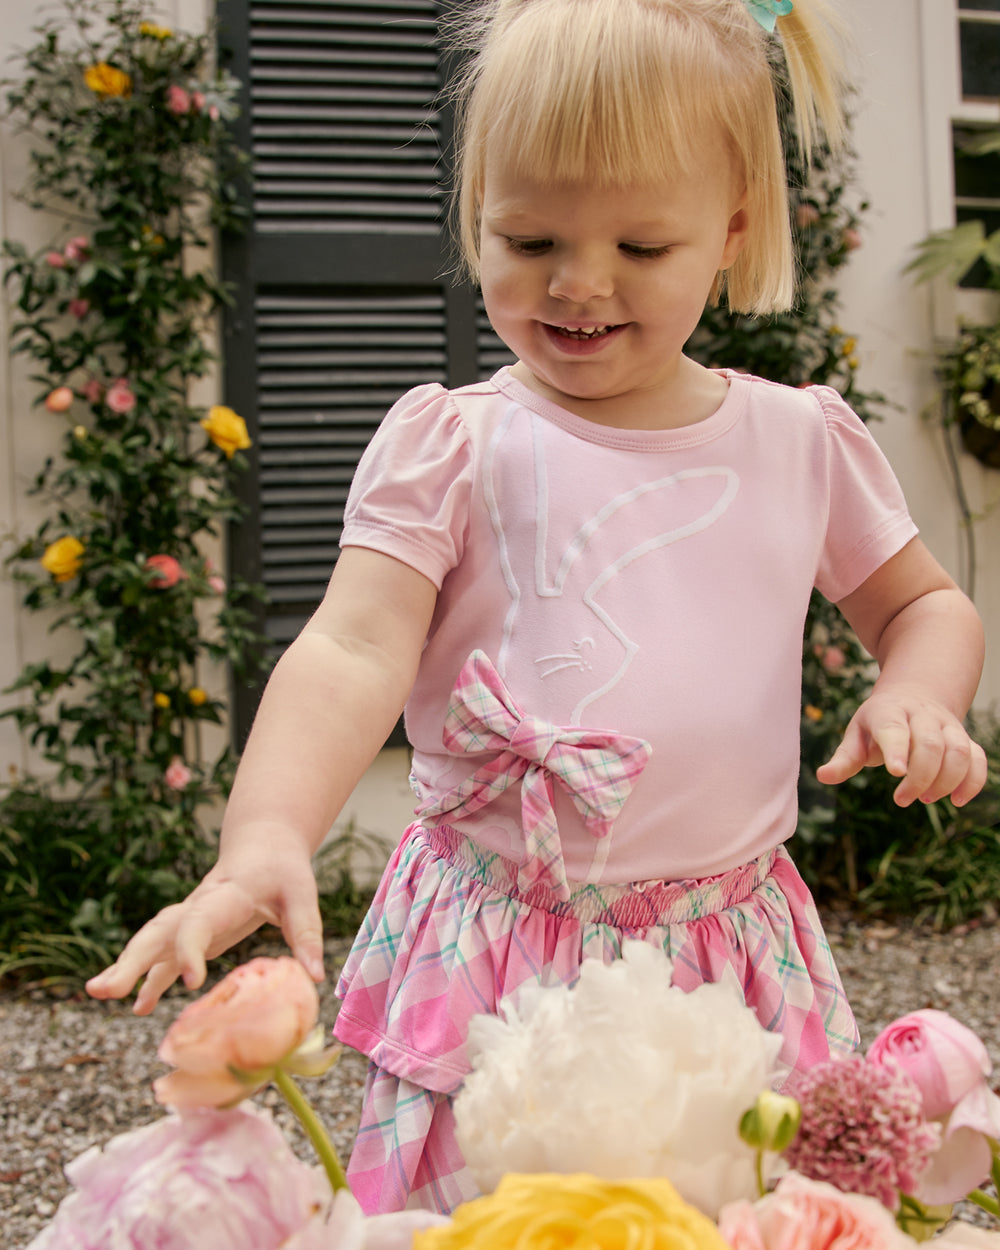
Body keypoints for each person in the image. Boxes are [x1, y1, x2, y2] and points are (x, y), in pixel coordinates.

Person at [87, 0, 987, 1216]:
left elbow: (924, 603)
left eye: (640, 247)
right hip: (498, 943)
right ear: (476, 212)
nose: (578, 282)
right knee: (488, 1222)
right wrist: (264, 837)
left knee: (726, 1211)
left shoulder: (796, 441)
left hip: (721, 949)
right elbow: (352, 648)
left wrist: (917, 690)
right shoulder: (455, 442)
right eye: (528, 236)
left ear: (729, 231)